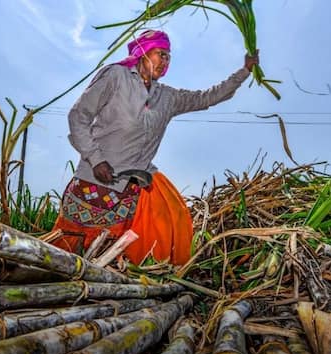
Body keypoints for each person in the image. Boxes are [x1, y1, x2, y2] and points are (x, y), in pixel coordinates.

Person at [50, 29, 258, 265]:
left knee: (118, 253)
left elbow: (207, 97)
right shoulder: (115, 76)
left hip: (131, 188)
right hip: (94, 183)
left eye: (169, 56)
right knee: (70, 252)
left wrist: (245, 71)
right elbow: (78, 116)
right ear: (144, 52)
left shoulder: (167, 97)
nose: (165, 61)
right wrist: (96, 159)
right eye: (161, 54)